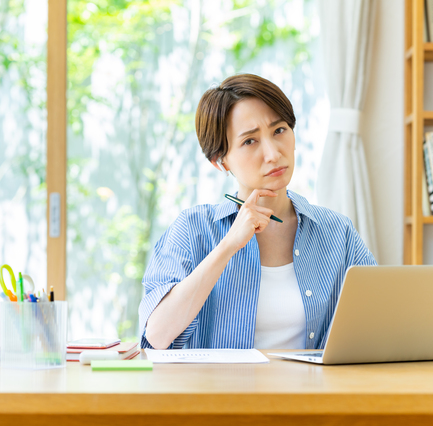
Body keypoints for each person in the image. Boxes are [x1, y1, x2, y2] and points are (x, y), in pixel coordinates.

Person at [139, 74, 376, 350]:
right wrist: (228, 245)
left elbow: (379, 321)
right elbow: (157, 335)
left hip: (312, 392)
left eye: (279, 131)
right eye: (250, 141)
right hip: (222, 393)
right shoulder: (192, 229)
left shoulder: (337, 232)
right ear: (221, 160)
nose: (273, 154)